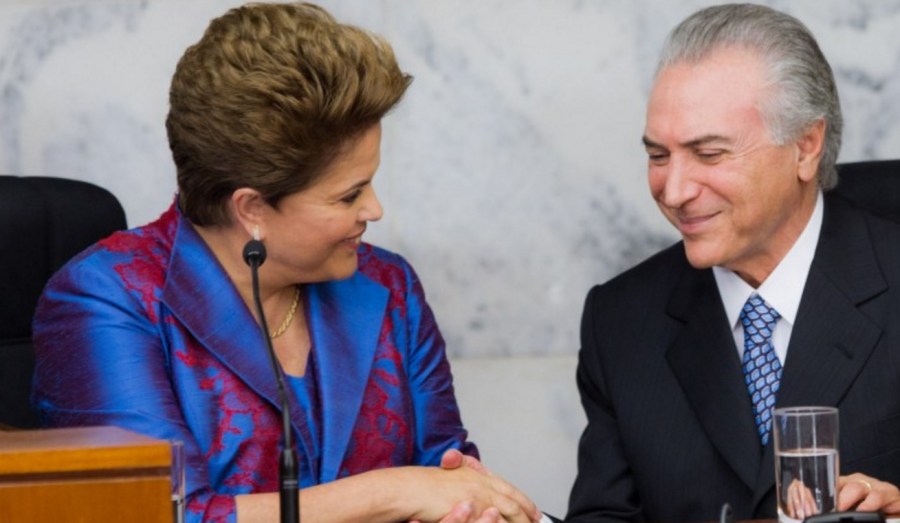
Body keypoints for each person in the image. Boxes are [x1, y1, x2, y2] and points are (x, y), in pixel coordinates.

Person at [30, 3, 542, 523]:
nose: (375, 210)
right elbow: (155, 513)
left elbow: (446, 473)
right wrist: (390, 493)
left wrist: (469, 510)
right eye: (348, 196)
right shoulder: (106, 299)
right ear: (252, 208)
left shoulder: (390, 285)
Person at [566, 4, 900, 522]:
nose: (674, 191)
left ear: (806, 147)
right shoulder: (620, 321)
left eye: (709, 153)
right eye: (658, 156)